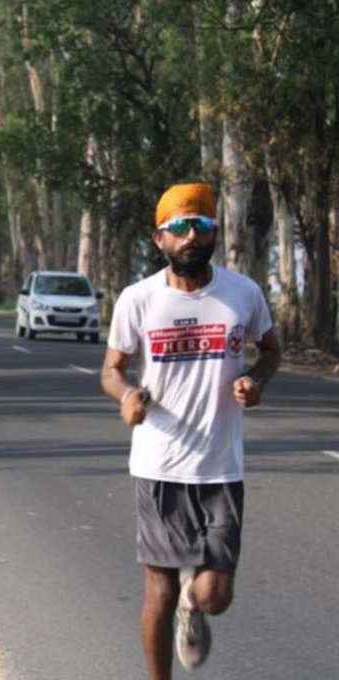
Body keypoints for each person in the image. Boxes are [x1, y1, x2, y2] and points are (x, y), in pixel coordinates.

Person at [100, 183, 281, 680]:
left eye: (200, 226)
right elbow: (112, 368)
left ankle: (193, 606)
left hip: (221, 465)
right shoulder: (138, 300)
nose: (190, 237)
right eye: (178, 228)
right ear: (159, 239)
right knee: (158, 587)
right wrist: (126, 396)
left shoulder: (243, 293)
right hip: (158, 463)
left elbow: (270, 350)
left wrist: (254, 379)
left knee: (214, 595)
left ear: (215, 234)